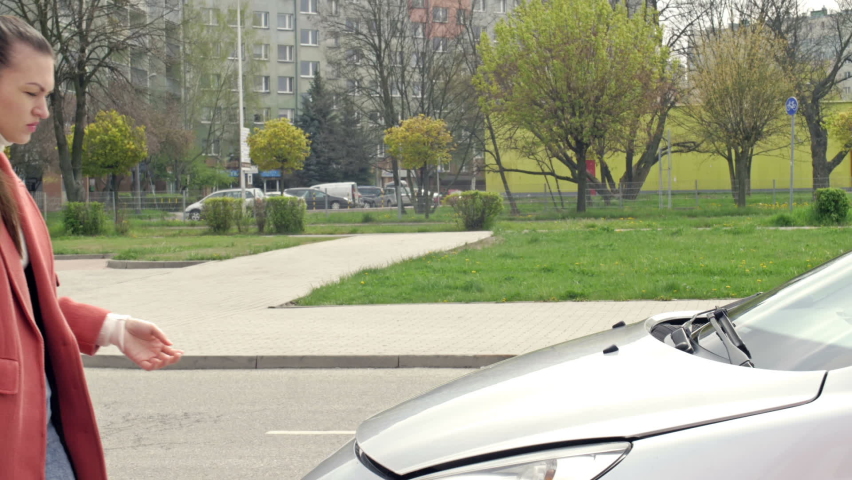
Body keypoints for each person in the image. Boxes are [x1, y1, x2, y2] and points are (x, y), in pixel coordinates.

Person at [0, 15, 183, 479]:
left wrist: (112, 328)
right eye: (30, 93)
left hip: (38, 428)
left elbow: (23, 305)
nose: (43, 110)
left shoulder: (9, 179)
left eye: (47, 95)